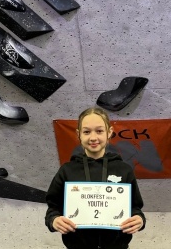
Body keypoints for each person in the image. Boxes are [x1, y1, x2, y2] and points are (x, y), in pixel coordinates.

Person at [45, 107, 146, 249]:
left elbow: (135, 208)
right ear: (79, 134)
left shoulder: (124, 170)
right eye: (86, 132)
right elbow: (53, 207)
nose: (93, 138)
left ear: (109, 132)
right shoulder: (67, 171)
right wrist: (54, 220)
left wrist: (139, 220)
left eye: (99, 131)